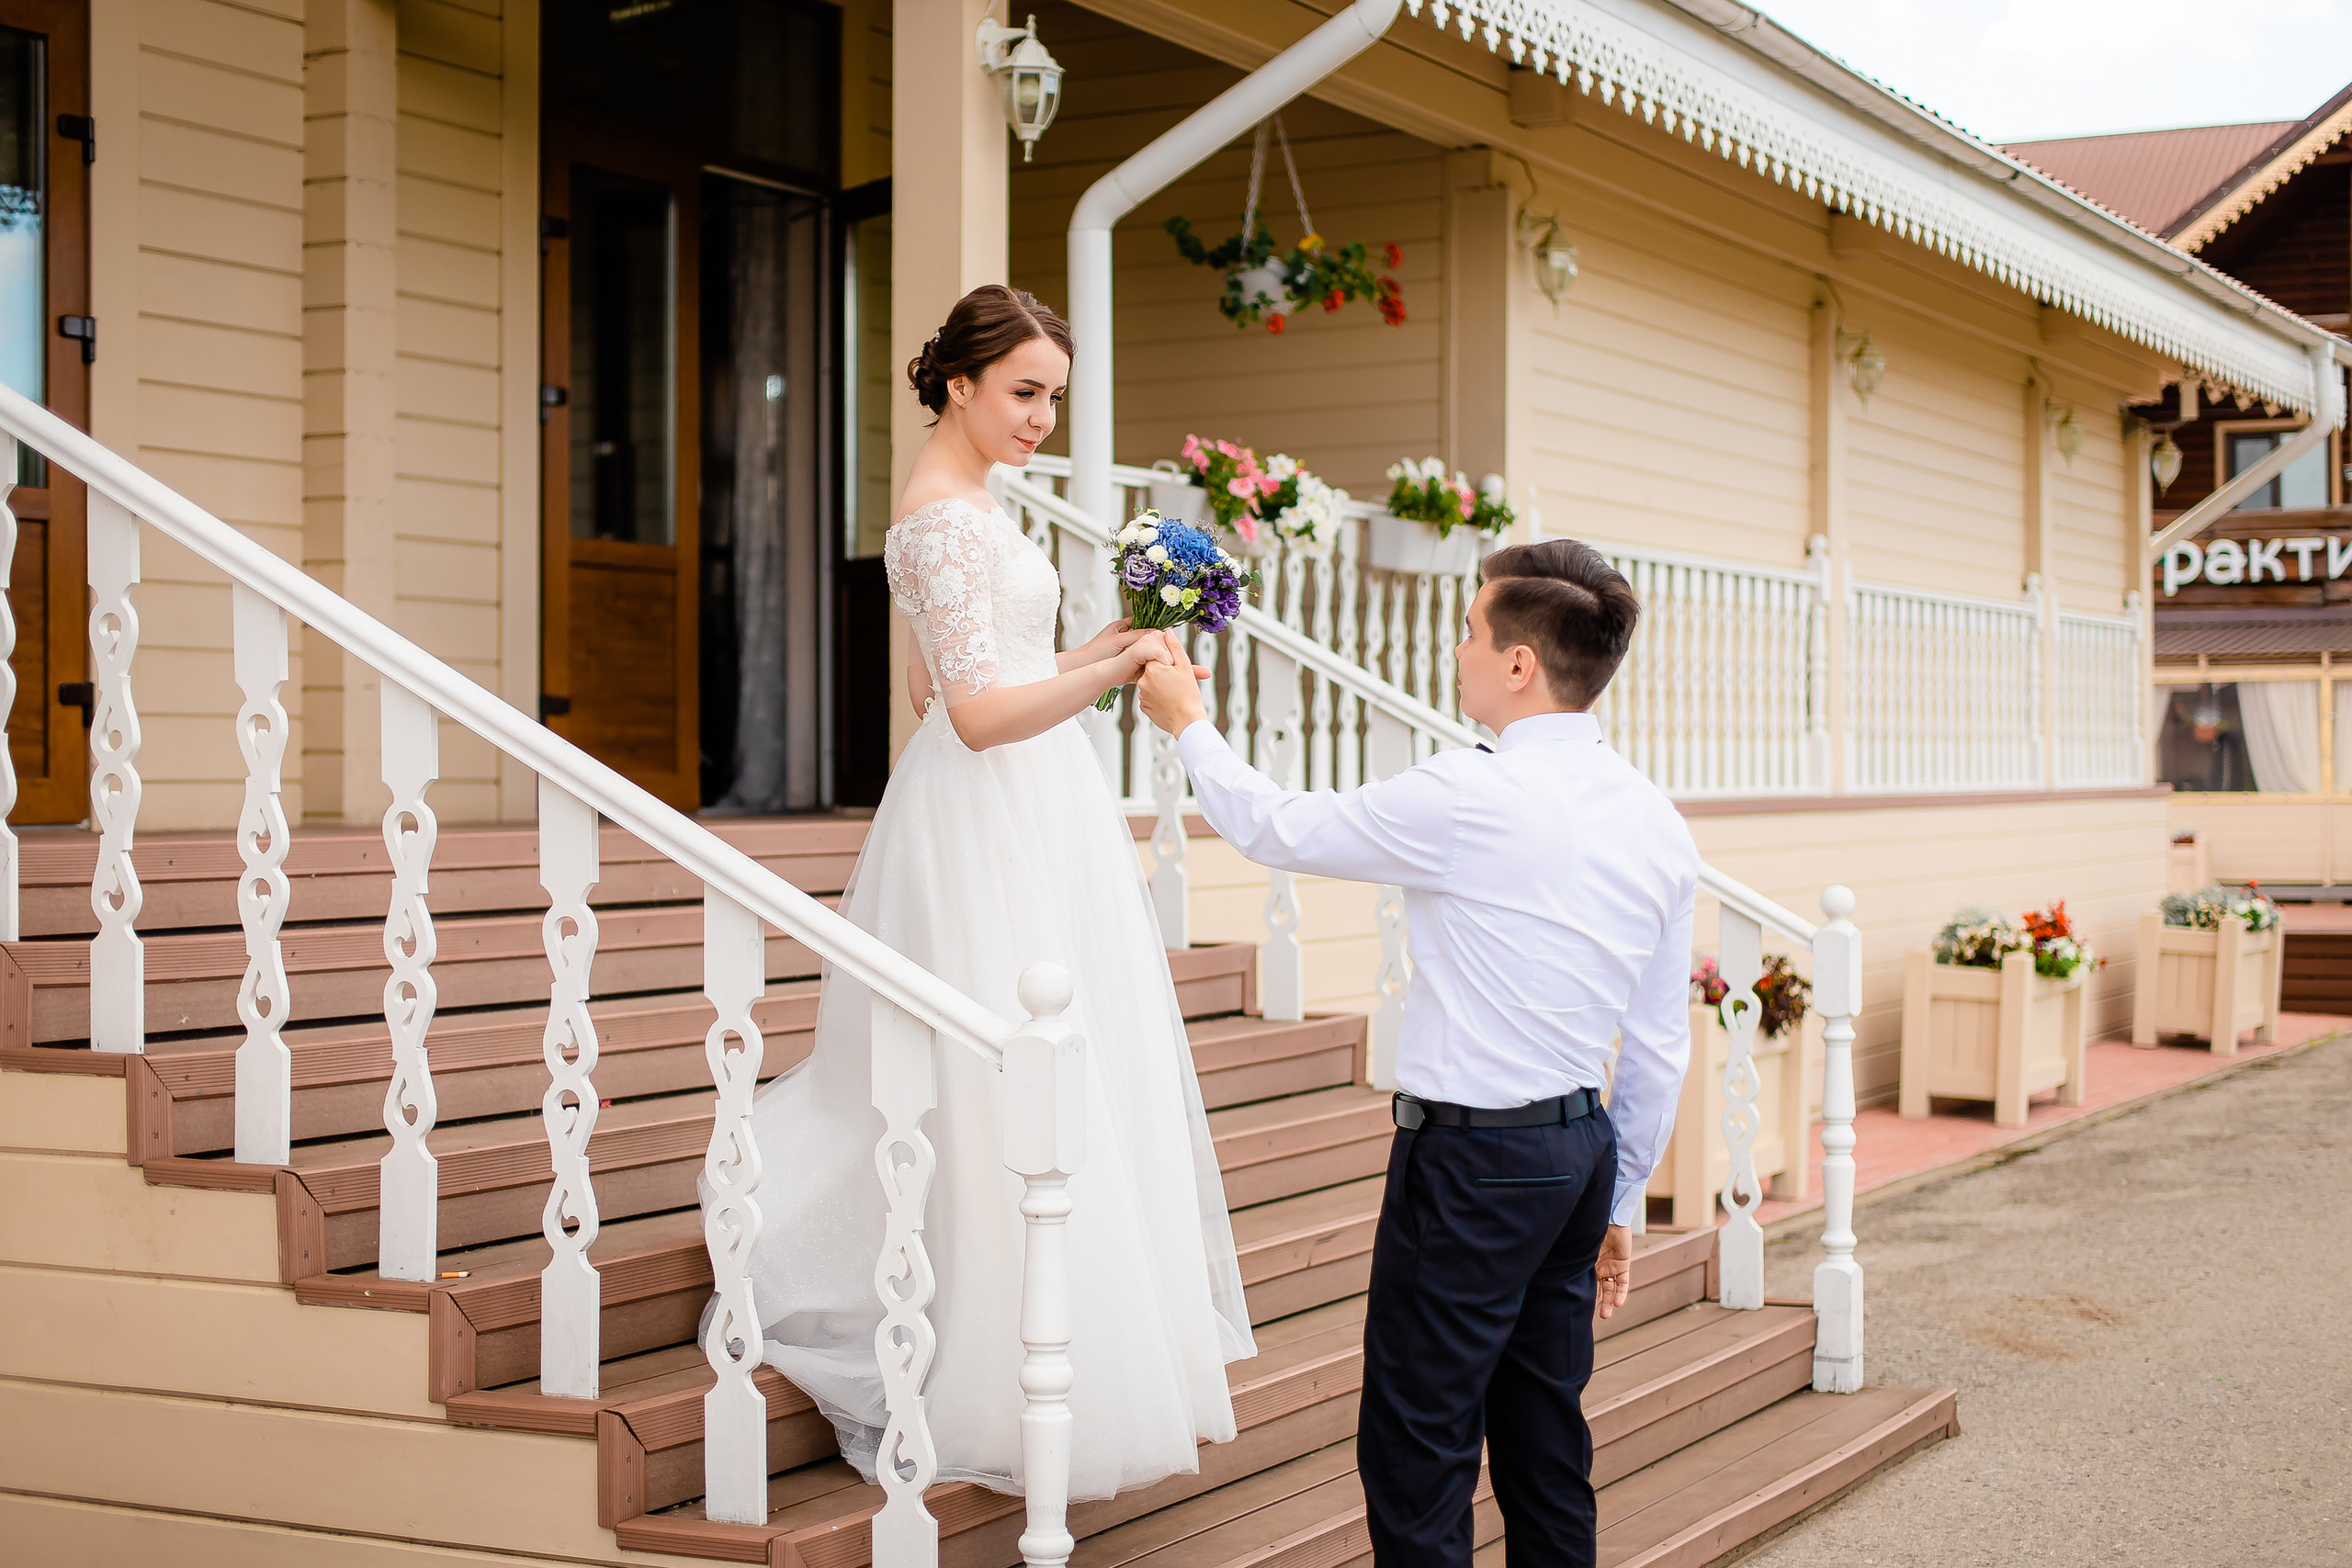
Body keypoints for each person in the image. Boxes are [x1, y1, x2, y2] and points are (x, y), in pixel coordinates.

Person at [706, 284, 1255, 1501]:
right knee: (999, 1071)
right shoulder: (941, 524)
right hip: (989, 811)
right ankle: (995, 1356)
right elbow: (970, 713)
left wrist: (1097, 646)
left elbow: (980, 676)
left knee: (1049, 1062)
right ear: (956, 383)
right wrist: (1114, 671)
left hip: (1028, 803)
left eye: (1054, 394)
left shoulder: (977, 509)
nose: (1043, 416)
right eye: (1025, 391)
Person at [1136, 540, 1699, 1567]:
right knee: (1543, 1435)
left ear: (1519, 664)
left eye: (1472, 630)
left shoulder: (1466, 796)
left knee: (1418, 1442)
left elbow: (1279, 830)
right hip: (1578, 1156)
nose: (1457, 646)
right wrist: (1621, 1201)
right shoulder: (1656, 822)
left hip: (1473, 1165)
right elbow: (1660, 1042)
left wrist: (1190, 727)